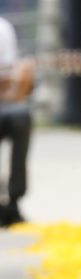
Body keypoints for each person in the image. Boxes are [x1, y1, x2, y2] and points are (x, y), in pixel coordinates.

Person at [0, 16, 34, 227]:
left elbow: (7, 82)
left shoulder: (3, 29)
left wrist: (24, 78)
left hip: (4, 106)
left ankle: (14, 198)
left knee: (21, 116)